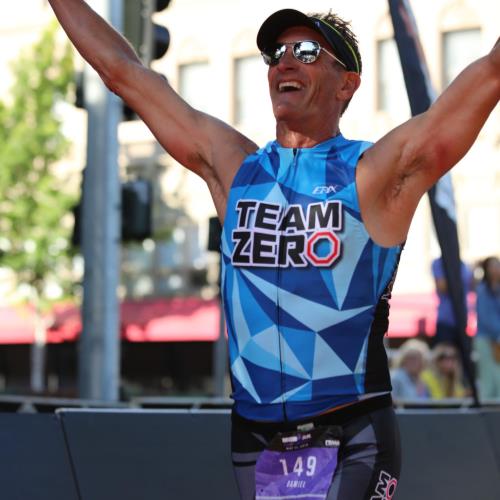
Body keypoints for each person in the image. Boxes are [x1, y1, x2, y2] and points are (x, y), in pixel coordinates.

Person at [47, 2, 500, 499]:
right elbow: (122, 73)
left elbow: (490, 73)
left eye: (306, 51)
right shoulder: (235, 168)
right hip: (256, 439)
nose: (284, 61)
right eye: (275, 53)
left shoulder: (375, 173)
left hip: (351, 430)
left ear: (346, 84)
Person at [431, 256, 474, 347]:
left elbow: (472, 286)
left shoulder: (463, 265)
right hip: (445, 321)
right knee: (445, 351)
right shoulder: (438, 263)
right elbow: (442, 287)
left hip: (462, 321)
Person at [474, 256, 500, 399]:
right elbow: (485, 317)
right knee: (488, 379)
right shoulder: (482, 290)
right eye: (493, 266)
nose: (496, 269)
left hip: (497, 340)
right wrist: (497, 335)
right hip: (486, 341)